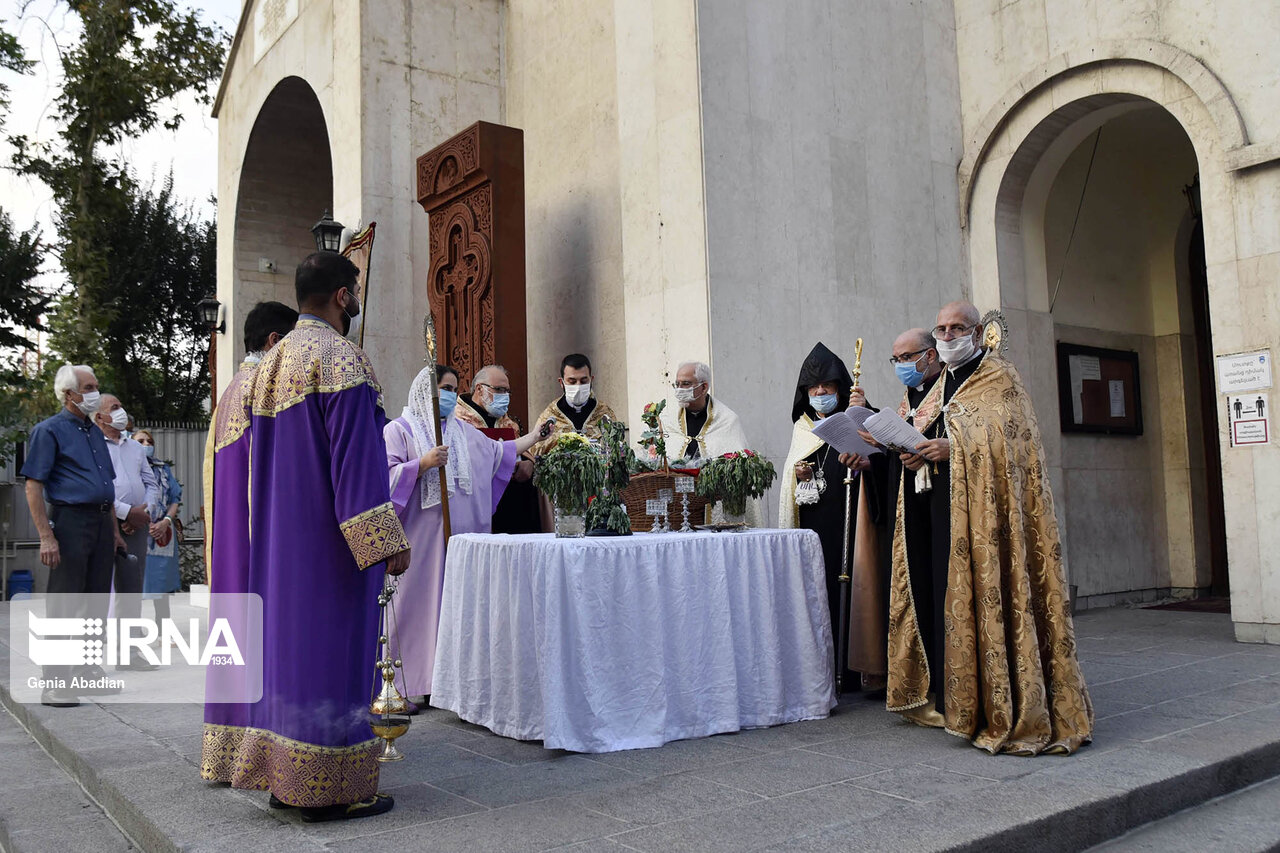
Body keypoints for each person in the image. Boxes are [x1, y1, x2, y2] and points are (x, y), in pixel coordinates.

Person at [200, 253, 410, 822]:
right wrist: (386, 542)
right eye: (357, 288)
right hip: (329, 553)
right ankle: (332, 792)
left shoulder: (268, 366)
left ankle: (285, 783)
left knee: (287, 668)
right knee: (332, 663)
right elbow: (358, 468)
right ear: (343, 295)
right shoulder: (345, 361)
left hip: (277, 550)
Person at [883, 301, 1092, 755]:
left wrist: (950, 446)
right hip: (934, 505)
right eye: (941, 327)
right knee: (935, 592)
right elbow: (928, 429)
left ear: (979, 333)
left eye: (958, 327)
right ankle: (946, 696)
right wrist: (910, 447)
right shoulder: (938, 384)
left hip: (983, 518)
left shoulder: (999, 378)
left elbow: (1008, 442)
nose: (948, 333)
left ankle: (996, 705)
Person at [384, 364, 553, 702]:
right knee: (416, 609)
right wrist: (422, 464)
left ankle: (448, 684)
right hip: (420, 545)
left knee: (456, 610)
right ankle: (407, 685)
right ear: (424, 390)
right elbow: (382, 479)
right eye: (443, 388)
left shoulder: (462, 431)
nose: (449, 395)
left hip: (460, 541)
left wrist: (536, 436)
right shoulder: (399, 431)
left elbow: (498, 453)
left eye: (452, 389)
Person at [778, 342, 884, 690]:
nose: (820, 393)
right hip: (816, 524)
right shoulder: (803, 429)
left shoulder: (862, 417)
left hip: (856, 522)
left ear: (840, 387)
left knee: (858, 588)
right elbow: (791, 485)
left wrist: (865, 415)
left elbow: (885, 460)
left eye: (827, 386)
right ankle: (826, 668)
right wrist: (801, 474)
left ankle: (858, 670)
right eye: (813, 388)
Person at [21, 365, 125, 707]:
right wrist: (46, 536)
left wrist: (114, 532)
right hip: (69, 522)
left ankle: (87, 670)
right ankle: (54, 682)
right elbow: (34, 485)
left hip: (99, 523)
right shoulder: (48, 431)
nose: (96, 391)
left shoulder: (93, 431)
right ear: (69, 394)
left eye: (96, 385)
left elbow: (106, 486)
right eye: (89, 386)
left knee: (95, 603)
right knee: (65, 604)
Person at [201, 300, 299, 590]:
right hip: (259, 533)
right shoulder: (267, 390)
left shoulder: (232, 389)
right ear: (275, 341)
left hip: (231, 533)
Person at [658, 360, 762, 526]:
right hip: (677, 506)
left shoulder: (727, 420)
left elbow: (737, 469)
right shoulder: (667, 420)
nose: (679, 390)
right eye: (676, 384)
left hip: (711, 504)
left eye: (685, 384)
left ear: (704, 387)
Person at [95, 393, 158, 659]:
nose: (123, 411)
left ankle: (129, 652)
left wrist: (144, 512)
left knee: (131, 587)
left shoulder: (135, 447)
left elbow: (151, 484)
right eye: (116, 407)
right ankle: (91, 656)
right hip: (103, 524)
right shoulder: (93, 445)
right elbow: (97, 487)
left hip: (138, 525)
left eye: (122, 405)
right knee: (96, 589)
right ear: (99, 417)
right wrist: (125, 514)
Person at [455, 364, 542, 533]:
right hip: (475, 497)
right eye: (500, 390)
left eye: (507, 391)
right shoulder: (457, 419)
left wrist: (528, 463)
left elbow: (520, 449)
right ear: (480, 389)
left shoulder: (506, 421)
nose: (505, 396)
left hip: (510, 500)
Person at [132, 429, 182, 634]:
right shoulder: (125, 468)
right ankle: (131, 631)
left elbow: (174, 499)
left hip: (162, 531)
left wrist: (166, 521)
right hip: (135, 529)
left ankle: (163, 628)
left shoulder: (163, 469)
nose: (146, 444)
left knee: (161, 582)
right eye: (140, 440)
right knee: (132, 581)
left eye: (149, 441)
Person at [529, 353, 617, 457]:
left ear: (591, 380)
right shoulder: (550, 415)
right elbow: (536, 451)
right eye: (572, 381)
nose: (578, 386)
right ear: (561, 382)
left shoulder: (604, 413)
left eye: (584, 381)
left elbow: (616, 449)